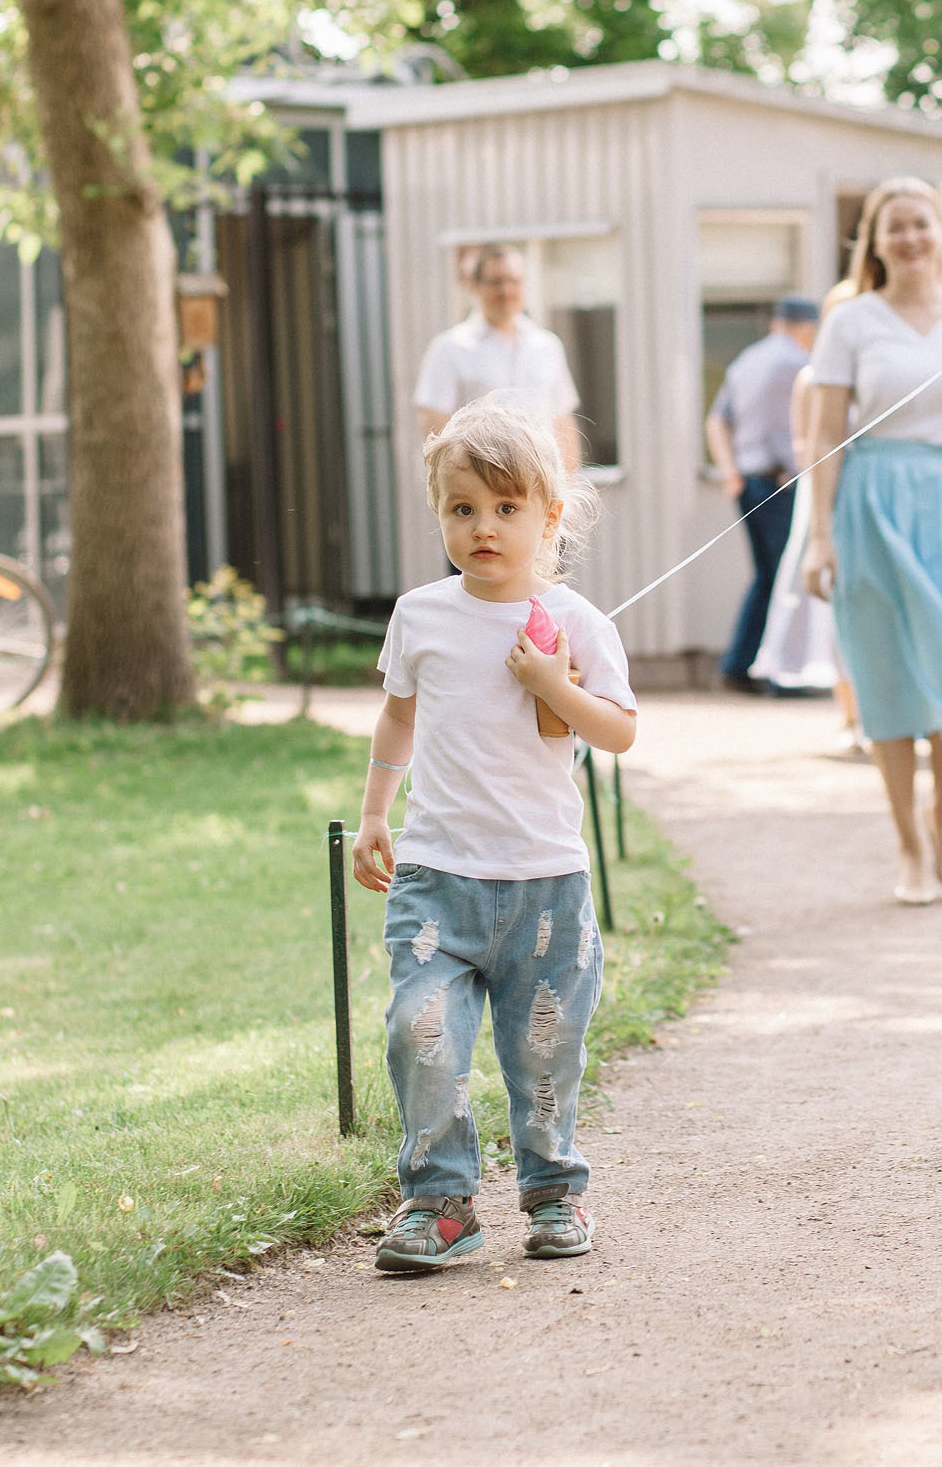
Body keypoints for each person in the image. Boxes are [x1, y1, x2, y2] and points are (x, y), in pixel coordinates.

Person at [351, 403, 636, 1273]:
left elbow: (618, 731)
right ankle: (440, 1202)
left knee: (544, 1049)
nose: (484, 528)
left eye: (507, 509)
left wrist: (554, 681)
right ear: (438, 512)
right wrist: (373, 813)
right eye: (462, 508)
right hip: (438, 876)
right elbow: (398, 718)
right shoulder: (421, 616)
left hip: (544, 883)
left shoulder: (576, 622)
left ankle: (555, 1192)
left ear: (550, 518)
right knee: (420, 1026)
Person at [800, 177, 942, 906]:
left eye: (921, 224)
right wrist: (819, 538)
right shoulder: (852, 321)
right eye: (894, 227)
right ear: (875, 241)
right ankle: (906, 841)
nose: (909, 238)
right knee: (889, 675)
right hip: (875, 506)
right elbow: (825, 433)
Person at [751, 284, 866, 757]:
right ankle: (851, 715)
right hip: (829, 495)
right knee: (832, 611)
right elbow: (805, 446)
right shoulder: (811, 377)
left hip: (873, 495)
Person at [706, 296, 820, 691]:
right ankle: (779, 675)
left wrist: (729, 472)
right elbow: (791, 430)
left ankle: (740, 664)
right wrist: (796, 469)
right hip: (777, 481)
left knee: (767, 575)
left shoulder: (746, 360)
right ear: (806, 327)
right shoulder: (795, 364)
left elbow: (717, 420)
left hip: (748, 482)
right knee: (784, 576)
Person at [414, 245, 582, 472]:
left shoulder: (547, 345)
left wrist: (568, 488)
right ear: (475, 285)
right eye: (496, 282)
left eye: (514, 282)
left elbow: (563, 422)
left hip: (541, 485)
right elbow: (435, 424)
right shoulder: (449, 348)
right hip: (484, 487)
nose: (506, 291)